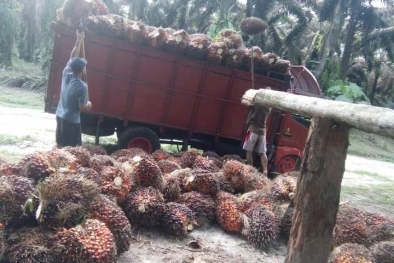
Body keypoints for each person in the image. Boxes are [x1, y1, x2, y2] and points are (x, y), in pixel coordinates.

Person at [56, 30, 92, 148]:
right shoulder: (82, 86)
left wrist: (78, 40)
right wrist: (89, 104)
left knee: (60, 145)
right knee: (71, 149)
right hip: (71, 122)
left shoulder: (66, 73)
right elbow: (82, 107)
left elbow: (72, 56)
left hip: (60, 115)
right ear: (82, 70)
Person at [241, 87, 271, 176]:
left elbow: (244, 102)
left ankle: (250, 169)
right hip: (262, 132)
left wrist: (245, 96)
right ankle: (265, 170)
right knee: (262, 153)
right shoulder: (268, 107)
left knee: (249, 151)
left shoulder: (256, 104)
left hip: (253, 130)